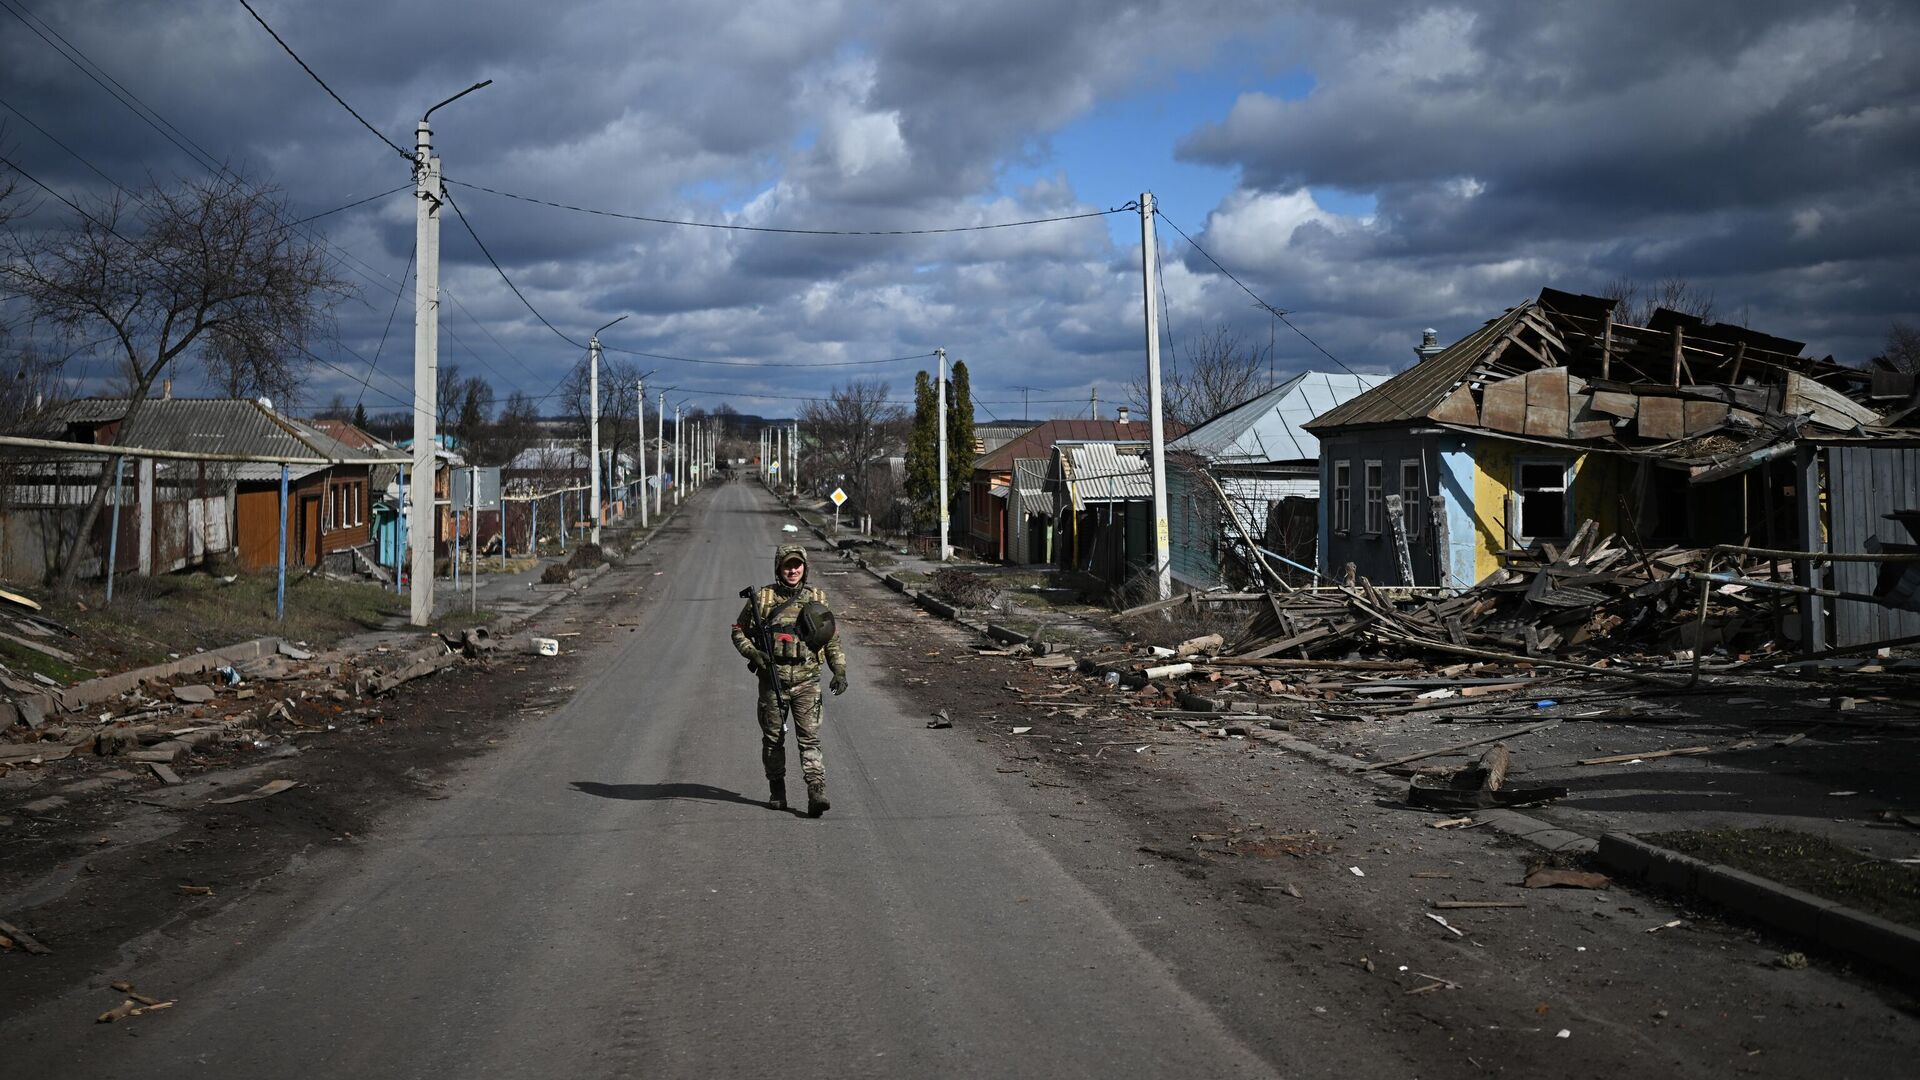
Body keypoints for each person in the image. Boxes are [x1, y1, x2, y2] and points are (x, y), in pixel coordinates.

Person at [730, 544, 848, 816]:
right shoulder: (763, 599)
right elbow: (738, 631)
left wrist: (839, 670)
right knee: (773, 740)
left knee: (810, 739)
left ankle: (816, 790)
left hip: (807, 681)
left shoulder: (817, 599)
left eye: (798, 565)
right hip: (773, 683)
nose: (793, 570)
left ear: (805, 567)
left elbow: (831, 639)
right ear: (778, 568)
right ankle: (777, 787)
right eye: (788, 566)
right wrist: (753, 652)